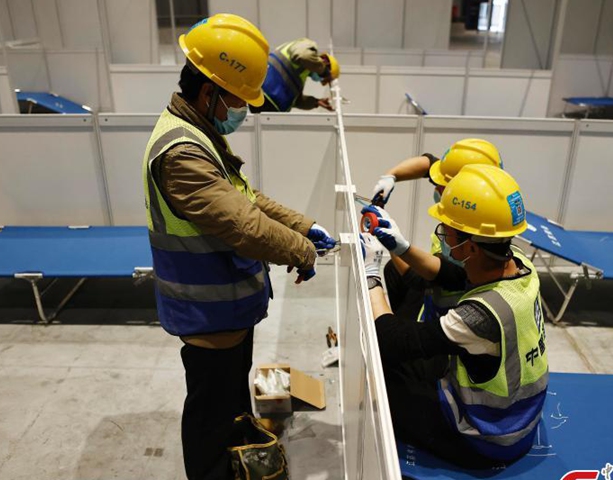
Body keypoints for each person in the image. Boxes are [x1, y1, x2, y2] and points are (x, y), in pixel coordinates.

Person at [142, 14, 337, 480]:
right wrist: (300, 251)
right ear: (210, 91)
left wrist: (303, 227)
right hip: (207, 315)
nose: (245, 109)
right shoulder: (183, 153)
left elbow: (248, 199)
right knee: (211, 417)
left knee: (227, 407)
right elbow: (244, 224)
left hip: (225, 312)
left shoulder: (200, 134)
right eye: (239, 98)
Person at [361, 164, 548, 467]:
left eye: (446, 229)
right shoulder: (518, 264)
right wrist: (401, 246)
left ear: (470, 246)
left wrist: (370, 273)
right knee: (414, 358)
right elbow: (452, 276)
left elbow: (389, 337)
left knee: (380, 378)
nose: (443, 235)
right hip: (519, 416)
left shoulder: (479, 316)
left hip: (488, 438)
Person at [369, 139, 503, 323]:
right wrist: (391, 176)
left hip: (455, 313)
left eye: (442, 186)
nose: (436, 188)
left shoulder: (473, 241)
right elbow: (429, 164)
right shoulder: (482, 193)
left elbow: (418, 277)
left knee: (395, 338)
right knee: (393, 270)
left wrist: (390, 243)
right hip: (438, 285)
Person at [249, 37, 340, 113]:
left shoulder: (300, 73)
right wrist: (325, 72)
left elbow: (296, 101)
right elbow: (303, 55)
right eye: (323, 78)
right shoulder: (307, 45)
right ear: (325, 62)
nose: (320, 80)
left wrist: (316, 102)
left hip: (269, 104)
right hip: (267, 91)